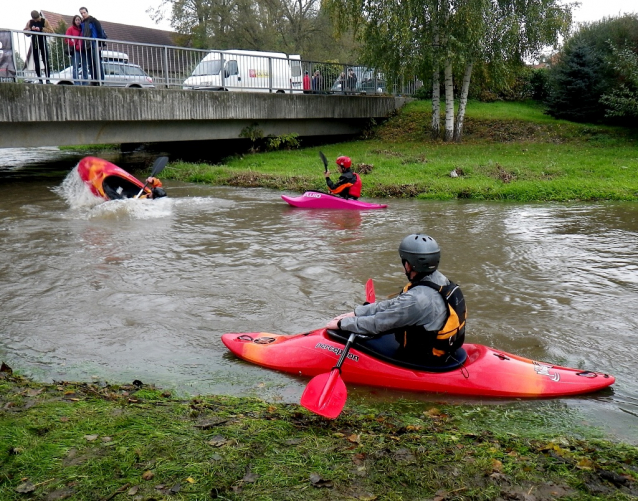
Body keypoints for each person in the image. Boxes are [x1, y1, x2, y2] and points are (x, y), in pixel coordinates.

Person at [326, 234, 466, 365]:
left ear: (409, 264)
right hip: (445, 349)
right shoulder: (441, 281)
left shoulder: (416, 299)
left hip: (425, 359)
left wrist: (341, 324)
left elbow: (377, 324)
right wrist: (358, 313)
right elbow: (395, 304)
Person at [79, 7, 106, 86]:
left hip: (94, 44)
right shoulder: (82, 23)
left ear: (87, 12)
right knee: (90, 64)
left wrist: (100, 44)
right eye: (81, 13)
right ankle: (94, 80)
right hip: (87, 45)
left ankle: (101, 80)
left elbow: (100, 32)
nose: (83, 14)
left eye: (84, 13)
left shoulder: (94, 21)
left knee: (97, 63)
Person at [24, 11, 53, 84]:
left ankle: (48, 79)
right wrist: (31, 30)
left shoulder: (44, 21)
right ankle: (40, 79)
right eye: (35, 19)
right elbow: (25, 31)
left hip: (42, 40)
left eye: (37, 18)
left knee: (46, 60)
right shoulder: (30, 22)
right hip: (35, 42)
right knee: (36, 60)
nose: (36, 20)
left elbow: (51, 31)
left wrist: (41, 29)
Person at [65, 15, 88, 85]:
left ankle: (85, 82)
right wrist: (73, 44)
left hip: (83, 49)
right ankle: (76, 82)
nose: (78, 21)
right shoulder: (71, 29)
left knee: (84, 66)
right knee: (76, 67)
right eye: (76, 20)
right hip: (76, 50)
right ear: (74, 21)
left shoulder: (83, 28)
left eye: (79, 20)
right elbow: (66, 39)